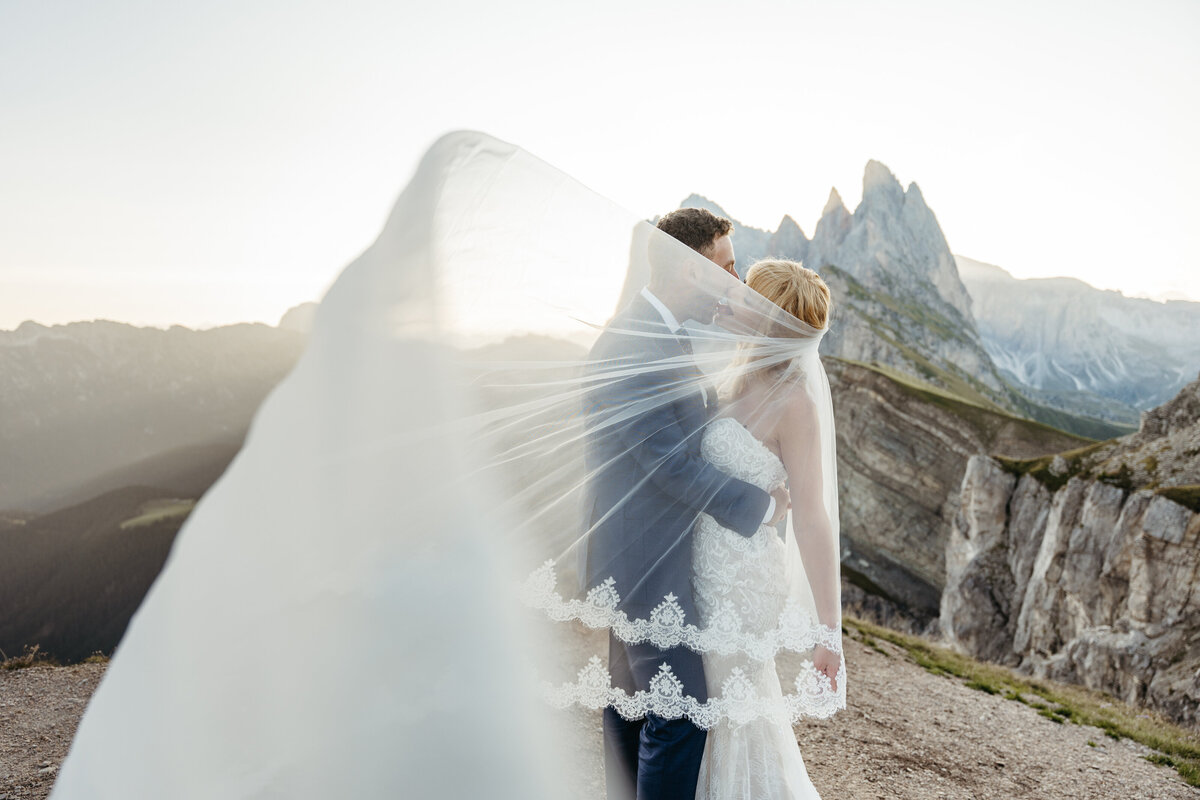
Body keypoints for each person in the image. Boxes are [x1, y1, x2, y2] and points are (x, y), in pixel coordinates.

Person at [580, 208, 790, 800]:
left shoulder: (661, 332)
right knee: (681, 710)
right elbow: (668, 461)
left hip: (644, 552)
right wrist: (763, 505)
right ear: (692, 272)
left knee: (630, 703)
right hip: (643, 559)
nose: (735, 281)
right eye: (726, 268)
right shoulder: (634, 343)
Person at [691, 259, 843, 799]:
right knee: (700, 715)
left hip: (742, 582)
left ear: (771, 320)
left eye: (749, 295)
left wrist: (830, 630)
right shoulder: (733, 373)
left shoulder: (796, 401)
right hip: (699, 567)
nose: (736, 295)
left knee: (731, 713)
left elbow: (813, 515)